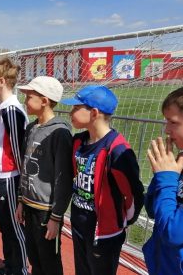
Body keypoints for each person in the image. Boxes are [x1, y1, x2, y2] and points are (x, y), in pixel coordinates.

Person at [60, 85, 144, 275]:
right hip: (79, 222)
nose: (70, 112)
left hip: (105, 232)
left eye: (75, 107)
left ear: (94, 113)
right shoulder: (78, 141)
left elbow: (134, 193)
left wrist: (120, 221)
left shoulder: (118, 151)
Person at [15, 76, 73, 275]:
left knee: (49, 261)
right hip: (29, 206)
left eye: (29, 97)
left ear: (45, 100)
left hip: (46, 211)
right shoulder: (31, 128)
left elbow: (63, 178)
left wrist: (56, 217)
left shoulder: (60, 133)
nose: (25, 101)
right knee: (34, 257)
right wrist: (21, 200)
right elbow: (25, 166)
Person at [0, 58, 28, 275]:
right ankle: (10, 265)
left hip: (10, 176)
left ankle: (20, 269)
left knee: (14, 226)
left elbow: (19, 150)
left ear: (2, 81)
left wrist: (21, 187)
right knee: (4, 224)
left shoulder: (11, 110)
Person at [143, 86, 183, 275]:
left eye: (172, 122)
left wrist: (167, 179)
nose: (166, 129)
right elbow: (152, 210)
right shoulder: (180, 162)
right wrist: (161, 175)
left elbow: (173, 234)